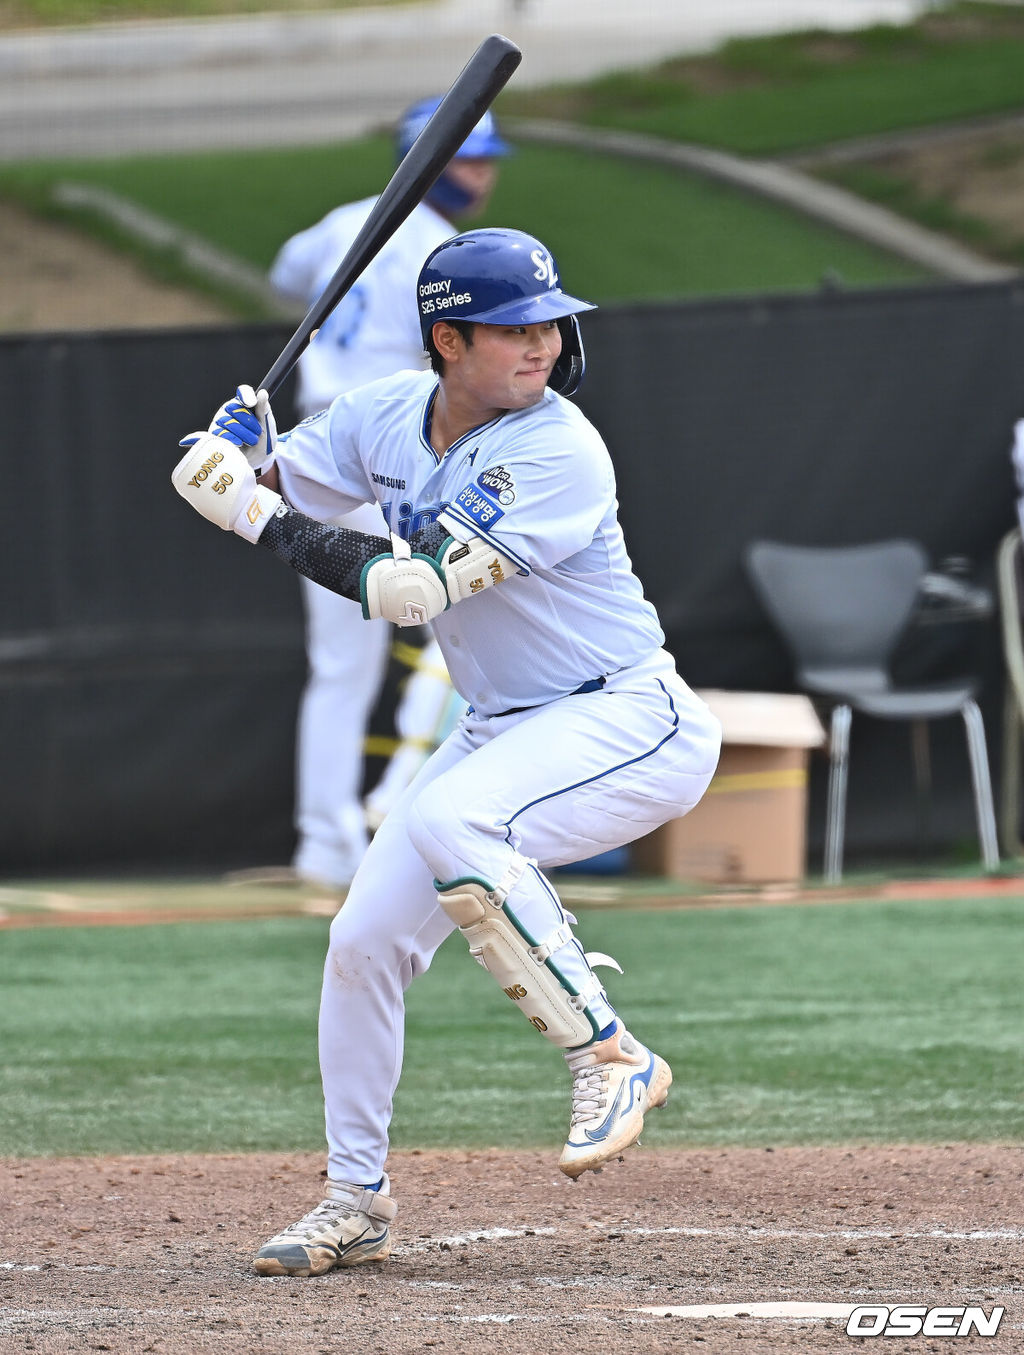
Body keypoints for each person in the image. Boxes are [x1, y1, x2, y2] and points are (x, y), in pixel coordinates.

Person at [172, 227, 722, 1276]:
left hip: (624, 715)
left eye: (550, 323)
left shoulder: (557, 447)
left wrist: (250, 511)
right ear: (447, 338)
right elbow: (293, 487)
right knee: (364, 939)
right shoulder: (385, 410)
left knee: (449, 819)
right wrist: (241, 453)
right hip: (502, 722)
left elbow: (405, 589)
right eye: (515, 327)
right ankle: (355, 1195)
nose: (545, 344)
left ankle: (609, 1048)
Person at [268, 98, 510, 889]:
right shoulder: (445, 250)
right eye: (469, 159)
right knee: (458, 622)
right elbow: (455, 361)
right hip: (384, 449)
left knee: (351, 660)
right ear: (430, 159)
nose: (482, 174)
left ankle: (329, 840)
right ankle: (392, 818)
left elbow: (285, 274)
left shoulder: (346, 221)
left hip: (315, 442)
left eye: (484, 159)